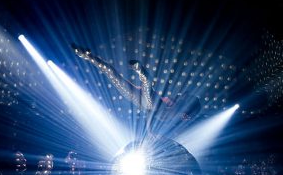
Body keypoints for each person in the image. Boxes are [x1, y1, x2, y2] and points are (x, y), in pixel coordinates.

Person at [72, 45, 201, 125]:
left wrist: (150, 132)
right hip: (141, 97)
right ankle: (86, 55)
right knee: (112, 73)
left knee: (113, 74)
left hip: (145, 102)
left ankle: (87, 56)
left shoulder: (173, 114)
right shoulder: (175, 104)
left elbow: (151, 115)